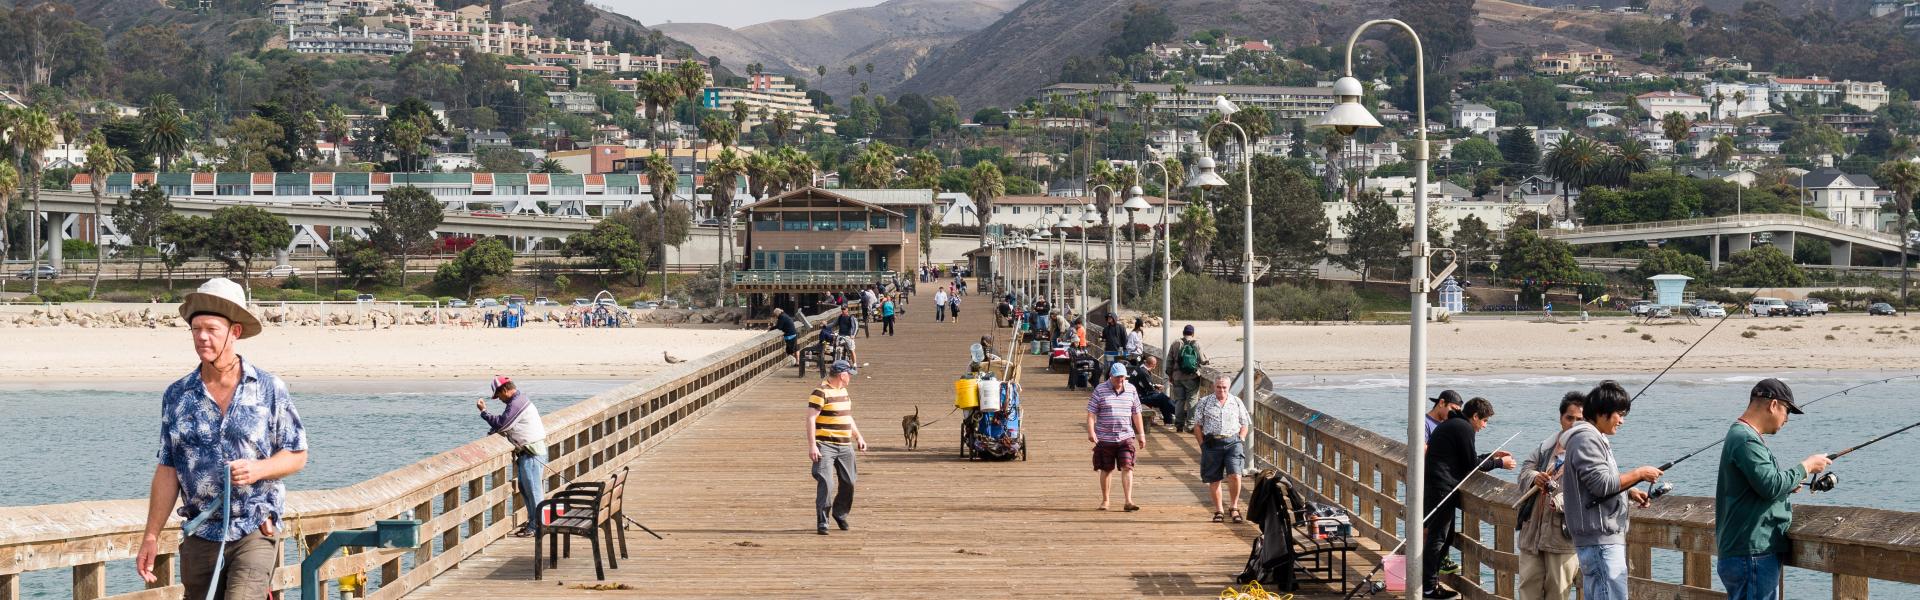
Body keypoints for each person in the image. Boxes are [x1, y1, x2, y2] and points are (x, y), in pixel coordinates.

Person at [137, 278, 309, 599]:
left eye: (212, 329)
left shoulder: (269, 388)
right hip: (200, 533)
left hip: (254, 529)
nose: (202, 337)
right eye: (196, 328)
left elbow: (297, 454)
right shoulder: (177, 395)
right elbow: (167, 469)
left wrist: (259, 470)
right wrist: (151, 536)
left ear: (235, 332)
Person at [1715, 378, 1829, 600]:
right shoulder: (1745, 439)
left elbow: (1763, 485)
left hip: (1747, 552)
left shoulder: (1742, 436)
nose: (1787, 419)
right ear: (1773, 404)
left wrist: (1787, 485)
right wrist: (1806, 467)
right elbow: (1770, 485)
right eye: (1787, 411)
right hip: (1752, 553)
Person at [1562, 381, 1665, 600]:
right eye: (1619, 413)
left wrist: (1628, 491)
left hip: (1600, 538)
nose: (1622, 420)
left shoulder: (1592, 437)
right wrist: (1639, 473)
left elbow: (1594, 483)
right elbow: (1601, 485)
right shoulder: (1586, 438)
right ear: (1601, 413)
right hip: (1600, 539)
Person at [1421, 397, 1517, 599]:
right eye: (1484, 421)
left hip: (1438, 486)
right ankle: (1428, 588)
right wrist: (1499, 463)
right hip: (1441, 488)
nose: (1484, 426)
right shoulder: (1463, 428)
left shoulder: (1454, 424)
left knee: (1446, 536)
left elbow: (1466, 459)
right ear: (1475, 416)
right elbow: (1471, 466)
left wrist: (1491, 456)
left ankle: (1430, 584)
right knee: (1438, 538)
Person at [1515, 392, 1585, 600]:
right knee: (1528, 588)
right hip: (1532, 533)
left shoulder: (1590, 451)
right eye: (1569, 418)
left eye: (1579, 420)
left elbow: (1590, 491)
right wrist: (1535, 477)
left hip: (1562, 539)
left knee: (1558, 592)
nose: (1573, 424)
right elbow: (1525, 470)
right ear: (1561, 418)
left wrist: (1560, 502)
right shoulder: (1546, 446)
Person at [479, 376, 547, 537]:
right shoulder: (519, 401)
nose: (499, 399)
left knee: (533, 490)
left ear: (504, 390)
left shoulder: (517, 403)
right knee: (526, 488)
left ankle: (538, 525)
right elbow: (509, 425)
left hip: (531, 453)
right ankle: (533, 523)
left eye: (499, 396)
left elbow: (503, 423)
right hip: (528, 453)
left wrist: (484, 412)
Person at [808, 360, 867, 535]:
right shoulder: (820, 392)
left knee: (849, 482)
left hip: (845, 445)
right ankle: (822, 521)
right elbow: (810, 419)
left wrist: (858, 436)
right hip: (825, 445)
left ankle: (840, 513)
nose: (850, 377)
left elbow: (847, 417)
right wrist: (813, 445)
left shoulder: (843, 391)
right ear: (842, 375)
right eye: (849, 374)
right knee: (826, 482)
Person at [1087, 362, 1145, 512]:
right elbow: (1091, 413)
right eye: (1118, 377)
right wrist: (1091, 432)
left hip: (1126, 435)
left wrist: (1141, 434)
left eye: (1123, 377)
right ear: (1111, 376)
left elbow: (1136, 413)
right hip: (1105, 437)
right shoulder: (1100, 390)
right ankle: (1105, 500)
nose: (1120, 380)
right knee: (1106, 469)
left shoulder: (1131, 389)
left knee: (1128, 466)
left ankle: (1128, 500)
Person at [1195, 375, 1252, 523]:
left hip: (1233, 442)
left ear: (1229, 387)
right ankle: (1219, 510)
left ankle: (1234, 507)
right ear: (1214, 387)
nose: (1221, 390)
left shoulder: (1236, 401)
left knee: (1235, 475)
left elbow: (1245, 423)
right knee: (1215, 479)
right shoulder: (1204, 402)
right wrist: (1202, 445)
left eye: (1224, 387)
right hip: (1212, 443)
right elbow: (1197, 425)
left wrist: (1241, 439)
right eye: (1218, 387)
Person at [1164, 325, 1208, 432]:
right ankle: (1190, 425)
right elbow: (1203, 360)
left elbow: (1169, 361)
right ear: (1193, 333)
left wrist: (1170, 375)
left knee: (1179, 400)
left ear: (1183, 333)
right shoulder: (1196, 343)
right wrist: (1207, 361)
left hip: (1177, 377)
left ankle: (1179, 425)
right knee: (1192, 400)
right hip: (1192, 377)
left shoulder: (1175, 343)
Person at [1131, 356, 1176, 426]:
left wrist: (1155, 386)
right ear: (1153, 365)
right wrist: (1157, 390)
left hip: (1137, 395)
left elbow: (1144, 384)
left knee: (1162, 399)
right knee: (1163, 398)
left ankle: (1169, 422)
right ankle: (1179, 413)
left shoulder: (1139, 368)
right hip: (1140, 397)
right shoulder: (1144, 372)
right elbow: (1150, 389)